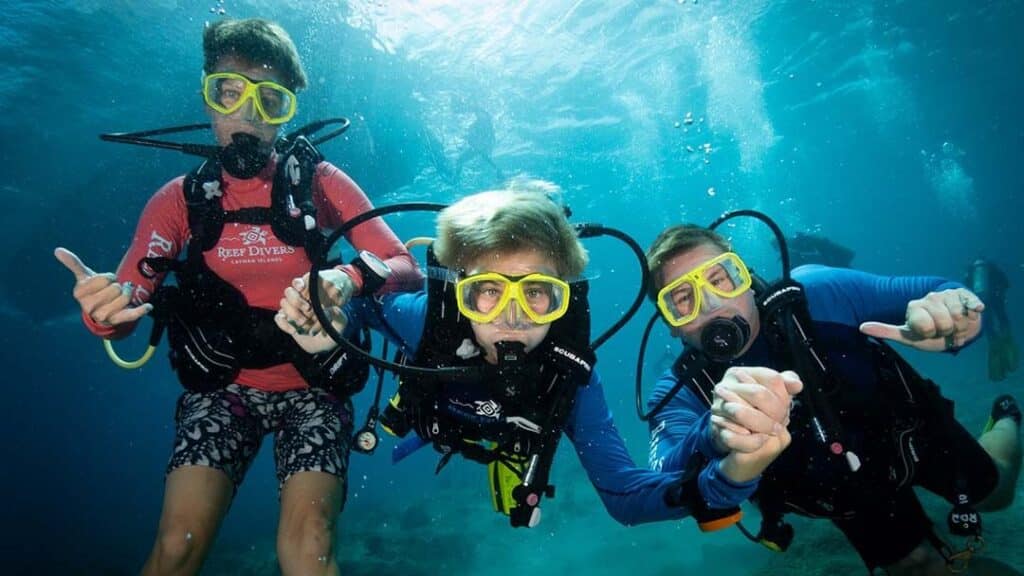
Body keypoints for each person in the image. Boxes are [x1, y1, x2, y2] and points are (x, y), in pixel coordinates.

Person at [55, 18, 421, 576]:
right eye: (229, 92)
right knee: (176, 546)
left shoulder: (320, 182)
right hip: (223, 392)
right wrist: (104, 314)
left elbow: (404, 266)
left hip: (315, 389)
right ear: (208, 98)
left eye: (270, 100)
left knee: (308, 550)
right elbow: (126, 304)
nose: (248, 116)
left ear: (287, 111)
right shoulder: (176, 201)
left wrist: (346, 279)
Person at [277, 185, 799, 529]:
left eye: (536, 293)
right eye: (487, 291)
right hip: (437, 422)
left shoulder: (571, 381)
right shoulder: (426, 325)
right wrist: (333, 310)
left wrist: (731, 474)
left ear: (562, 298)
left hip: (518, 434)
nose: (513, 316)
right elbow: (364, 309)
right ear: (460, 294)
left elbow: (626, 496)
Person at [644, 224, 1021, 575]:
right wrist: (712, 432)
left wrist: (957, 314)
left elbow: (943, 290)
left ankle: (1007, 417)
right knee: (916, 567)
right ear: (671, 322)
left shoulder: (818, 292)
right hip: (845, 493)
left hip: (914, 435)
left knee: (997, 492)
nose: (712, 304)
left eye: (721, 278)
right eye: (683, 299)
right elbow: (661, 482)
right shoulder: (681, 391)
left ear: (746, 277)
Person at [966, 259, 1019, 382]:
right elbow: (1006, 283)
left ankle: (994, 347)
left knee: (989, 325)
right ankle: (1008, 346)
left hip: (982, 301)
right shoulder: (992, 267)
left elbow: (966, 289)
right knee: (1003, 320)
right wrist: (1001, 292)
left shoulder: (971, 272)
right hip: (996, 298)